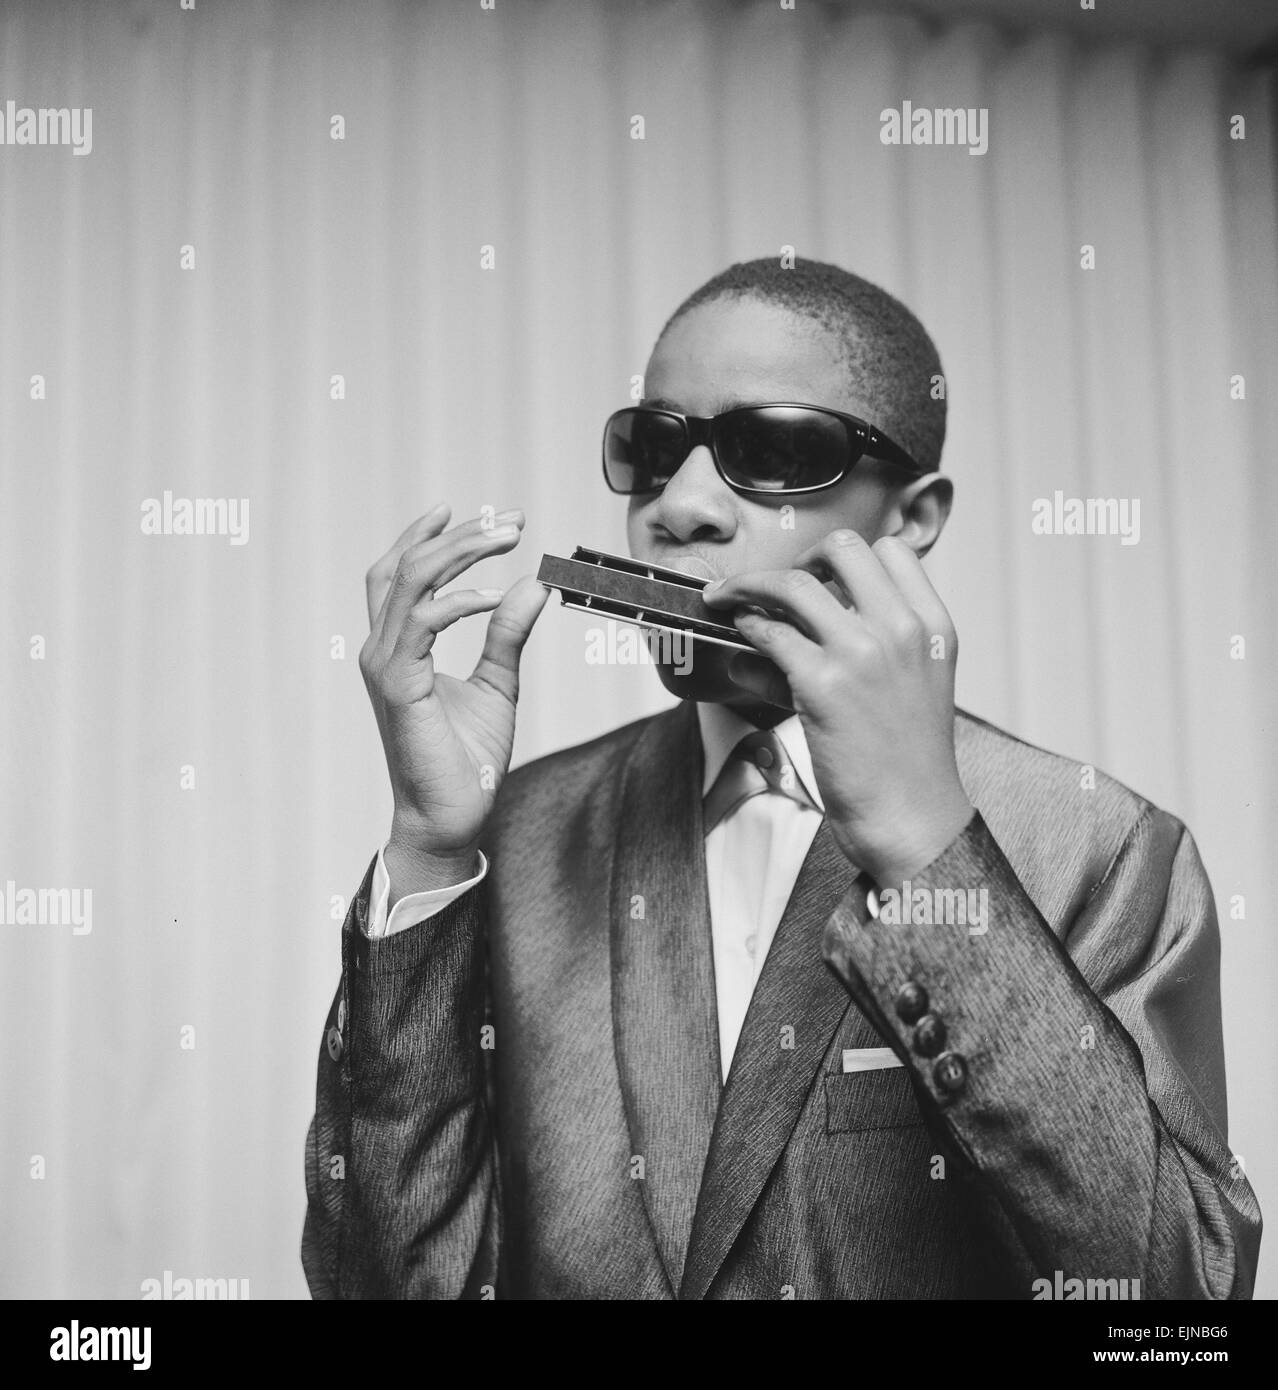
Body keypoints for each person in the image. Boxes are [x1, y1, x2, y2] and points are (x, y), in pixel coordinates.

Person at [302, 257, 1261, 1299]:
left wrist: (927, 852)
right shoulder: (520, 839)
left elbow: (1182, 1301)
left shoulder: (1098, 846)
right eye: (654, 451)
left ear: (911, 517)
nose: (682, 505)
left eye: (769, 451)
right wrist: (431, 847)